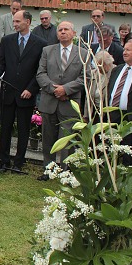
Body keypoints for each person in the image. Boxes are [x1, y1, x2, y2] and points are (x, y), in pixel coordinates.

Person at [0, 10, 47, 172]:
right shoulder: (7, 41)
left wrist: (31, 89)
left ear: (27, 22)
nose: (14, 24)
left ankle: (19, 163)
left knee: (23, 130)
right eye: (13, 21)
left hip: (26, 93)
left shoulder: (40, 44)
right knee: (5, 128)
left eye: (17, 21)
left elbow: (40, 71)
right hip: (8, 92)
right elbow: (1, 64)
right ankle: (3, 161)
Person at [35, 21, 89, 180]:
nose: (63, 32)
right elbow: (40, 74)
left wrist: (66, 89)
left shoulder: (83, 54)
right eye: (60, 30)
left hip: (69, 103)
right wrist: (54, 90)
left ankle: (66, 171)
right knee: (48, 138)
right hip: (49, 101)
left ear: (74, 33)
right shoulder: (47, 51)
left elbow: (85, 77)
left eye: (66, 30)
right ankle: (48, 169)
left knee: (67, 139)